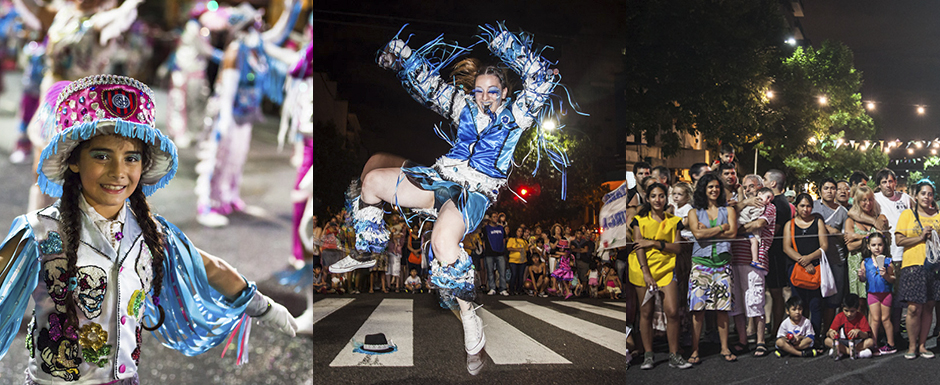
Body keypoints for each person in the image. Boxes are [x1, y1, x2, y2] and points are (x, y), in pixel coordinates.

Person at [0, 75, 296, 383]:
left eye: (131, 158)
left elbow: (210, 268)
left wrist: (265, 308)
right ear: (74, 160)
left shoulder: (151, 234)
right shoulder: (40, 232)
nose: (118, 172)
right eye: (101, 156)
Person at [332, 23, 578, 356]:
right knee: (373, 181)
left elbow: (541, 80)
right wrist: (401, 53)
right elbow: (430, 85)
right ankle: (367, 250)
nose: (484, 97)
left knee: (444, 242)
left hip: (473, 192)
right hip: (440, 177)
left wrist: (504, 42)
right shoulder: (462, 107)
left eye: (492, 91)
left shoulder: (517, 116)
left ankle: (469, 314)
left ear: (505, 93)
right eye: (479, 91)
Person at [193, 1, 302, 227]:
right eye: (255, 22)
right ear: (246, 27)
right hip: (227, 113)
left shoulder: (256, 48)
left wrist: (292, 11)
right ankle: (205, 205)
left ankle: (229, 196)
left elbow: (278, 35)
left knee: (237, 157)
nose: (260, 26)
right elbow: (228, 89)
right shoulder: (236, 50)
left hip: (246, 114)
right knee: (217, 157)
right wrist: (223, 120)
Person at [629, 182, 691, 369]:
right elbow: (639, 247)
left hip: (666, 269)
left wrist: (655, 243)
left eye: (662, 196)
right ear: (648, 198)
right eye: (654, 196)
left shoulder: (674, 221)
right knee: (646, 313)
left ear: (667, 198)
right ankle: (649, 355)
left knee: (672, 311)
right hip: (643, 270)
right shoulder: (639, 220)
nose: (658, 199)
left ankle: (674, 355)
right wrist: (646, 274)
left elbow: (678, 247)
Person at [687, 173, 739, 364]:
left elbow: (733, 233)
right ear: (703, 189)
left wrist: (708, 231)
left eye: (717, 187)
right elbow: (697, 235)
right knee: (697, 309)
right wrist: (720, 228)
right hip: (701, 263)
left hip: (723, 263)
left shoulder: (729, 210)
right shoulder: (694, 212)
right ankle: (694, 350)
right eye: (710, 187)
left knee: (722, 309)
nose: (714, 190)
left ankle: (725, 348)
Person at [729, 177, 776, 358]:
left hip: (755, 261)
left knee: (755, 300)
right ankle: (742, 340)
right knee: (738, 303)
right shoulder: (741, 205)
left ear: (760, 188)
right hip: (735, 259)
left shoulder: (768, 206)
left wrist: (736, 230)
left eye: (752, 186)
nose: (749, 190)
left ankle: (760, 341)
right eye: (746, 187)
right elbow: (728, 215)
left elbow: (758, 224)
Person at [894, 179, 940, 360]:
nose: (927, 197)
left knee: (929, 306)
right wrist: (921, 237)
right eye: (923, 193)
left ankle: (922, 345)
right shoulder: (907, 214)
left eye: (930, 194)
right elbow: (899, 240)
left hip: (934, 266)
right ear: (916, 195)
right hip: (913, 265)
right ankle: (912, 346)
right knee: (914, 308)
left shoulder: (937, 215)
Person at [783, 193, 829, 339]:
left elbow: (824, 246)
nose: (805, 209)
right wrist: (803, 261)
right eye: (802, 205)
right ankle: (798, 337)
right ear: (796, 207)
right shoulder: (789, 224)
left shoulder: (818, 222)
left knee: (815, 304)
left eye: (808, 206)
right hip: (796, 269)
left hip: (815, 268)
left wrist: (809, 259)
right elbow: (786, 247)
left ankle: (813, 338)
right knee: (799, 305)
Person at [813, 177, 849, 332]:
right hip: (816, 259)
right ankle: (813, 332)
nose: (830, 191)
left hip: (836, 260)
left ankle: (828, 332)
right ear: (820, 190)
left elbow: (847, 237)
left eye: (832, 188)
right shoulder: (812, 206)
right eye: (826, 188)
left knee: (833, 299)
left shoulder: (843, 212)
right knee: (816, 299)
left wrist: (835, 232)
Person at [844, 186, 889, 303]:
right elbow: (850, 247)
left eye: (870, 199)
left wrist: (857, 237)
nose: (868, 203)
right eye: (864, 200)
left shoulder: (879, 219)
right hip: (856, 264)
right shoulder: (850, 221)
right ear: (858, 202)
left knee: (877, 300)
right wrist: (869, 237)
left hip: (875, 264)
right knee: (859, 302)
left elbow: (882, 240)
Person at [857, 232, 896, 355]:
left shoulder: (888, 261)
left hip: (885, 293)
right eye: (874, 245)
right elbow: (863, 280)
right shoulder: (865, 262)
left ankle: (891, 344)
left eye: (880, 244)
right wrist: (861, 276)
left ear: (884, 245)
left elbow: (893, 278)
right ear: (868, 246)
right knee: (874, 319)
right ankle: (874, 344)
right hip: (872, 294)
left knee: (885, 319)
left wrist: (886, 275)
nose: (877, 247)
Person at [763, 169, 793, 334]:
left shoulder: (779, 203)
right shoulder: (777, 201)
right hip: (772, 252)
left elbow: (773, 231)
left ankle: (775, 329)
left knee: (776, 292)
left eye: (765, 179)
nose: (763, 182)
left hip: (775, 253)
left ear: (773, 183)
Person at [824, 293, 875, 359]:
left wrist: (859, 332)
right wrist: (831, 332)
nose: (849, 314)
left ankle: (841, 351)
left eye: (852, 311)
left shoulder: (861, 317)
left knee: (870, 342)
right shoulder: (840, 316)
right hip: (843, 341)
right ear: (842, 308)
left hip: (856, 342)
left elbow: (866, 335)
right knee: (827, 341)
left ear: (857, 309)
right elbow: (828, 332)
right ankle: (853, 353)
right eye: (846, 311)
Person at [738, 188, 774, 271]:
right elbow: (746, 214)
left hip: (750, 261)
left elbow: (758, 223)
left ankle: (755, 260)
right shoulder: (751, 203)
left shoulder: (768, 207)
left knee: (754, 240)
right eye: (767, 197)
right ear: (760, 194)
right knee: (754, 240)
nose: (768, 201)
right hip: (742, 222)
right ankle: (755, 260)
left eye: (770, 199)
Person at [507, 227, 528, 295]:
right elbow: (509, 248)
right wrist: (517, 249)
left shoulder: (524, 241)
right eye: (519, 231)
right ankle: (511, 289)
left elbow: (527, 249)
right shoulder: (512, 239)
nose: (520, 233)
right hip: (513, 260)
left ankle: (519, 289)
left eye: (521, 231)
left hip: (522, 260)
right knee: (514, 274)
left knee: (520, 275)